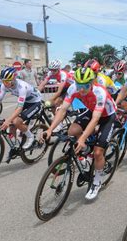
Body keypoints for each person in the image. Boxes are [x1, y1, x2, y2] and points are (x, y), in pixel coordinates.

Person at [43, 63, 117, 200]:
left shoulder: (100, 92)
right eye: (79, 85)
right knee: (72, 130)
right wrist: (50, 129)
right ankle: (86, 150)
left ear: (92, 83)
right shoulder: (73, 88)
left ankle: (97, 181)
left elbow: (96, 119)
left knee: (98, 152)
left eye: (85, 86)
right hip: (92, 110)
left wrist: (82, 138)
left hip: (107, 116)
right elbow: (63, 110)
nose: (81, 90)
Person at [0, 67, 43, 149]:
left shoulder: (22, 87)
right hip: (25, 102)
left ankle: (30, 137)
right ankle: (15, 145)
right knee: (11, 124)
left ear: (13, 79)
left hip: (35, 102)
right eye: (3, 80)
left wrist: (8, 120)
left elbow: (19, 108)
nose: (4, 83)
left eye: (6, 81)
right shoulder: (4, 85)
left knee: (16, 121)